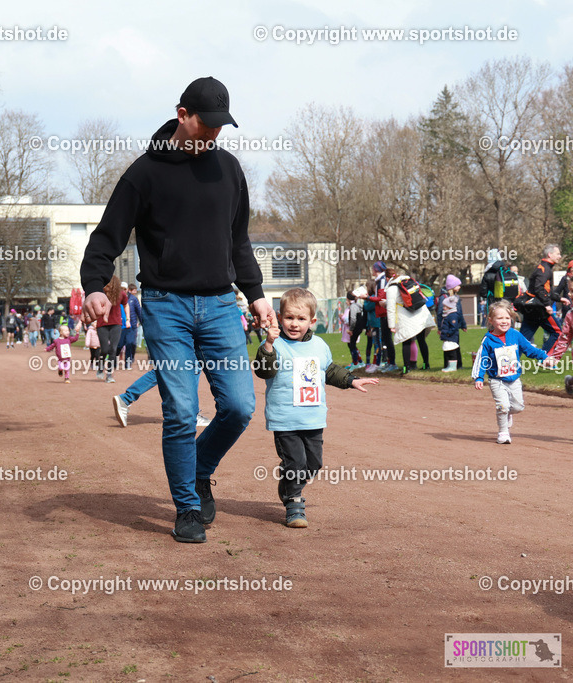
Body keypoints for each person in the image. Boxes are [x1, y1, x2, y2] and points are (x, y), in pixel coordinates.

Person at [81, 76, 275, 543]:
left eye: (220, 127)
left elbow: (239, 241)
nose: (213, 134)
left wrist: (257, 293)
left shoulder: (228, 169)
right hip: (166, 305)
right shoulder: (144, 173)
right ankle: (187, 507)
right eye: (206, 124)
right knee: (182, 409)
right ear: (182, 114)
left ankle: (199, 470)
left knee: (239, 405)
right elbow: (106, 238)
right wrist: (93, 286)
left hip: (221, 304)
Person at [254, 288, 378, 527]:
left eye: (301, 319)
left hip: (313, 418)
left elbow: (329, 370)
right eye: (289, 317)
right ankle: (294, 504)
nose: (294, 324)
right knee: (296, 463)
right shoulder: (273, 344)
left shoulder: (319, 345)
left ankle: (288, 482)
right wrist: (268, 344)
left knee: (313, 464)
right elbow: (263, 370)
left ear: (312, 321)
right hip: (285, 419)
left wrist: (352, 380)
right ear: (280, 318)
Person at [473, 300, 557, 444]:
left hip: (514, 379)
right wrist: (479, 377)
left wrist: (544, 357)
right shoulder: (488, 340)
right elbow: (482, 359)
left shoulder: (515, 335)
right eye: (500, 318)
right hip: (497, 380)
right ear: (491, 320)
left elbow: (529, 349)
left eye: (507, 318)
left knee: (518, 407)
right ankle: (503, 432)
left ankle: (508, 413)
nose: (504, 321)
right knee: (502, 406)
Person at [384, 268, 435, 373]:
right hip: (420, 312)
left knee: (406, 341)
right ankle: (426, 364)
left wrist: (391, 325)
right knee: (421, 340)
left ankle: (406, 368)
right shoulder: (409, 281)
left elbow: (390, 308)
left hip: (406, 316)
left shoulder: (391, 289)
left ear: (387, 278)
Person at [520, 245, 564, 352]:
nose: (560, 256)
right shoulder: (544, 270)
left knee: (522, 339)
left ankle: (508, 362)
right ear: (550, 255)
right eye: (558, 254)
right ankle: (545, 359)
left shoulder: (544, 268)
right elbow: (538, 288)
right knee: (558, 333)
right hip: (540, 309)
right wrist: (547, 305)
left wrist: (560, 299)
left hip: (532, 309)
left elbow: (548, 291)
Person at [438, 275, 466, 372]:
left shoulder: (456, 297)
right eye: (458, 285)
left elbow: (460, 312)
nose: (459, 287)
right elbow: (440, 313)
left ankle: (457, 365)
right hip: (447, 326)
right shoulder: (444, 298)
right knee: (448, 346)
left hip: (454, 325)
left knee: (455, 345)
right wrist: (440, 327)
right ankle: (448, 364)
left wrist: (463, 324)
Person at [545, 304, 573, 395]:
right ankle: (570, 382)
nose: (569, 294)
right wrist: (556, 357)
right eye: (571, 291)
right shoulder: (570, 314)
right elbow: (565, 338)